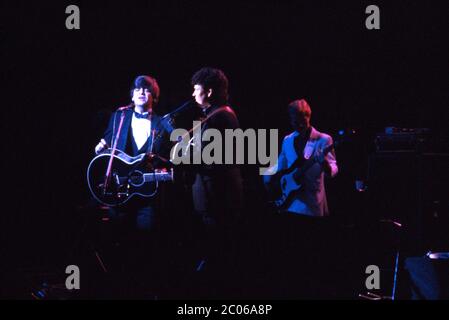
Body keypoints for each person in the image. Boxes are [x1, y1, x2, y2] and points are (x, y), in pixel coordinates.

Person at [93, 75, 172, 297]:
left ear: (153, 97)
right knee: (118, 241)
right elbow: (108, 139)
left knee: (145, 242)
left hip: (147, 194)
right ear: (131, 94)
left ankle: (144, 289)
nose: (141, 92)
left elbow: (167, 156)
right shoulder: (119, 117)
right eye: (137, 89)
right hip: (120, 192)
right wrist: (102, 144)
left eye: (146, 90)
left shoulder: (160, 123)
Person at [263, 99, 339, 298]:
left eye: (304, 116)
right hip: (291, 200)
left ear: (309, 116)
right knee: (294, 251)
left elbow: (334, 167)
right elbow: (282, 162)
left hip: (312, 201)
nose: (301, 121)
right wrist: (267, 174)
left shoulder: (324, 139)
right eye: (297, 118)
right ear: (291, 119)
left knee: (312, 251)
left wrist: (325, 166)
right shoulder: (288, 139)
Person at [182, 67, 244, 297]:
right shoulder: (215, 115)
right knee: (216, 250)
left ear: (208, 91)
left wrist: (186, 156)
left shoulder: (223, 117)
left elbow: (219, 161)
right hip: (213, 197)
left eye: (196, 90)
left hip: (218, 198)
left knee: (219, 253)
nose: (192, 95)